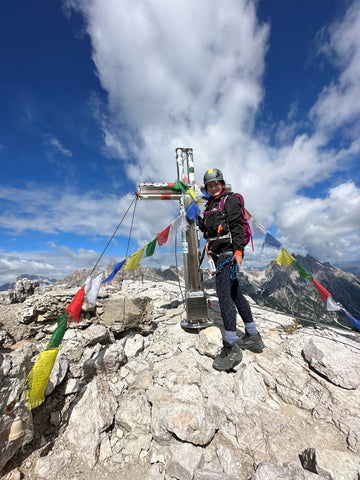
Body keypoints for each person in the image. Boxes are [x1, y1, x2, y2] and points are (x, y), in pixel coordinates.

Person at [199, 168, 264, 372]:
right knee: (236, 293)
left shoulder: (229, 200)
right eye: (210, 185)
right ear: (207, 188)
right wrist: (199, 221)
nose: (214, 186)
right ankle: (252, 336)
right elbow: (208, 230)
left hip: (228, 253)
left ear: (223, 183)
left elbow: (236, 225)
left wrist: (238, 252)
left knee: (224, 295)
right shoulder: (210, 205)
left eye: (217, 183)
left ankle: (231, 347)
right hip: (218, 254)